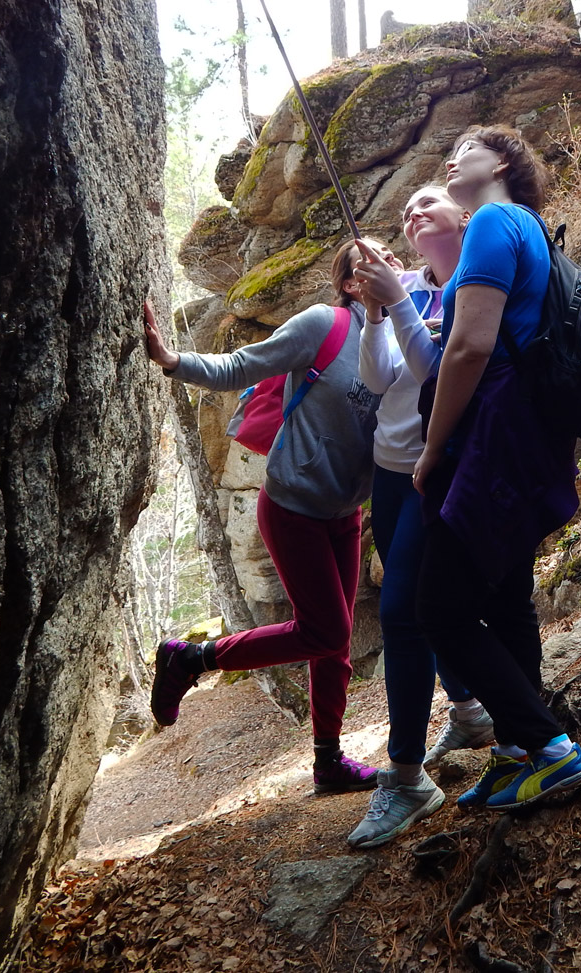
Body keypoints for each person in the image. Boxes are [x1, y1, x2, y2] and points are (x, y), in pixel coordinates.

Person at [359, 127, 581, 815]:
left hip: (490, 440)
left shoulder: (493, 218)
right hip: (526, 437)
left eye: (470, 147)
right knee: (503, 599)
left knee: (440, 609)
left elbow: (467, 348)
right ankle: (518, 748)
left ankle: (551, 749)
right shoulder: (530, 230)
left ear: (506, 162)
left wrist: (432, 447)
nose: (453, 156)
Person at [143, 241, 383, 794]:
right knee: (326, 630)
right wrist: (172, 361)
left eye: (392, 257)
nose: (389, 264)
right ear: (349, 283)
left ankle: (328, 763)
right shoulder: (325, 324)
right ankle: (193, 657)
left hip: (344, 512)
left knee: (334, 645)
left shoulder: (400, 339)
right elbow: (241, 365)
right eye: (372, 260)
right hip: (293, 506)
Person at [342, 188, 497, 849]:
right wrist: (378, 311)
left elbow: (442, 373)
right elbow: (379, 381)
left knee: (405, 610)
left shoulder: (470, 285)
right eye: (404, 210)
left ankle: (406, 775)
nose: (412, 212)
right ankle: (467, 709)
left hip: (438, 471)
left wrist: (399, 304)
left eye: (427, 200)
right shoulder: (402, 287)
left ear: (464, 214)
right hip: (390, 469)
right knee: (415, 602)